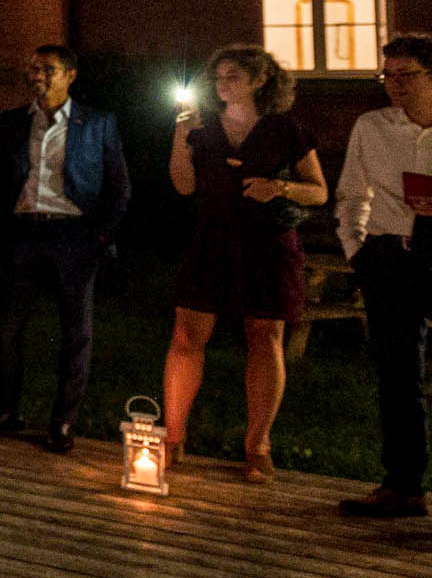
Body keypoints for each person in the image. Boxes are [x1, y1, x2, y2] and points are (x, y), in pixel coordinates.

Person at [162, 45, 326, 482]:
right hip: (212, 240)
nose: (221, 84)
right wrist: (180, 138)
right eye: (218, 77)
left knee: (265, 334)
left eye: (233, 76)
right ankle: (172, 436)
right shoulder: (201, 128)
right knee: (186, 334)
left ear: (259, 81)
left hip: (268, 244)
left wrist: (279, 188)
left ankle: (258, 446)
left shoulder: (285, 130)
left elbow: (319, 191)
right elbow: (182, 186)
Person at [0, 45, 131, 454]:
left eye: (48, 69)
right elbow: (3, 184)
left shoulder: (97, 123)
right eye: (33, 68)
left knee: (76, 333)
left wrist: (100, 238)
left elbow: (119, 186)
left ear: (70, 75)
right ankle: (6, 412)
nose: (37, 75)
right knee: (6, 330)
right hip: (23, 235)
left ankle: (63, 422)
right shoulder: (14, 122)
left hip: (73, 236)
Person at [333, 32, 432, 518]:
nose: (393, 84)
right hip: (390, 256)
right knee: (398, 375)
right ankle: (404, 484)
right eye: (386, 75)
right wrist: (358, 249)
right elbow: (352, 192)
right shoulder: (373, 127)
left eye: (405, 75)